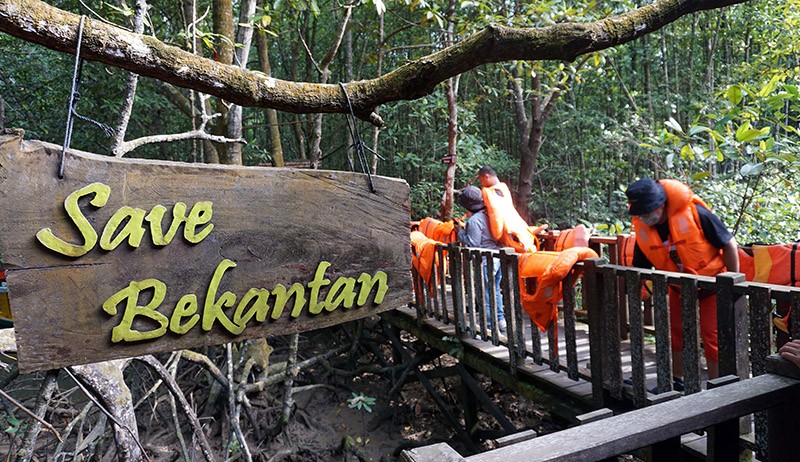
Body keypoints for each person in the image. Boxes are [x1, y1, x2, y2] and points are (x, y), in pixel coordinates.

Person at [626, 178, 739, 390]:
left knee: (712, 337)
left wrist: (732, 282)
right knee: (676, 333)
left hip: (711, 285)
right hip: (678, 286)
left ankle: (716, 387)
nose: (643, 217)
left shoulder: (696, 214)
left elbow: (729, 244)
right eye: (640, 213)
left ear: (661, 204)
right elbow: (640, 265)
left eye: (647, 211)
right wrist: (636, 292)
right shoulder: (644, 229)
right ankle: (677, 379)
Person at [455, 185, 507, 335]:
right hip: (497, 257)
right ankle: (500, 319)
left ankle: (489, 327)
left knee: (484, 294)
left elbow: (473, 243)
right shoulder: (490, 214)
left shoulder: (474, 221)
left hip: (485, 260)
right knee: (495, 290)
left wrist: (460, 232)